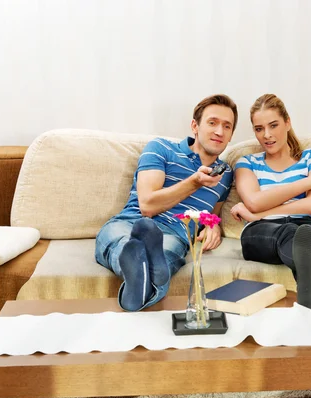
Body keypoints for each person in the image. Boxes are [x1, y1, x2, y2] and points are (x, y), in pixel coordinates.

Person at [95, 94, 237, 311]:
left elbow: (212, 214)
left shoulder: (225, 175)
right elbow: (148, 205)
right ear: (194, 126)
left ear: (231, 136)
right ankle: (150, 271)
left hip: (175, 233)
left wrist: (213, 224)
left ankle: (137, 288)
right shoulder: (160, 148)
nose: (219, 131)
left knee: (166, 249)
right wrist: (195, 181)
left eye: (227, 126)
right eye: (212, 123)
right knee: (123, 241)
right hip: (133, 222)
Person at [230, 94, 311, 310]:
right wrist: (307, 182)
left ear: (287, 122)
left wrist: (261, 212)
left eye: (273, 125)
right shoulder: (246, 162)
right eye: (259, 129)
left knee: (308, 234)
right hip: (262, 231)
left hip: (309, 226)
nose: (267, 135)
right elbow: (253, 201)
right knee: (290, 233)